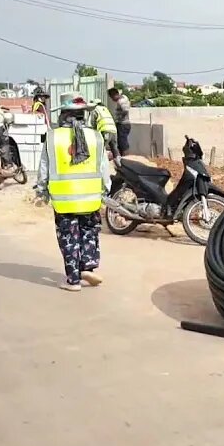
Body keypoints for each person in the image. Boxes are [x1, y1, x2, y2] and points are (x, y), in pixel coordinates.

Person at [37, 93, 111, 292]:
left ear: (63, 114)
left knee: (69, 237)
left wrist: (41, 189)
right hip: (91, 197)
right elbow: (103, 166)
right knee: (89, 232)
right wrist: (106, 188)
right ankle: (87, 266)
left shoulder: (53, 136)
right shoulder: (96, 136)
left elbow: (45, 166)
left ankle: (73, 280)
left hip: (64, 200)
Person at [108, 86, 132, 156]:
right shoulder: (124, 97)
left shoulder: (121, 101)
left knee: (123, 142)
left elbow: (125, 110)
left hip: (123, 124)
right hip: (125, 124)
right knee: (121, 141)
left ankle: (125, 158)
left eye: (112, 97)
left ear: (115, 95)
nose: (112, 99)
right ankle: (121, 157)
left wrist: (119, 118)